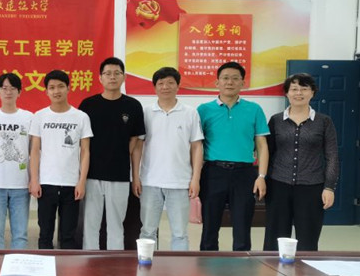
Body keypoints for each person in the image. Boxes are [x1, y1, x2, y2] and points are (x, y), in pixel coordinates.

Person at [197, 61, 269, 252]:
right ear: (217, 82)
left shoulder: (254, 109)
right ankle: (206, 265)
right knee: (210, 226)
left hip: (244, 174)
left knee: (242, 226)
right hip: (213, 172)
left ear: (243, 83)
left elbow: (262, 145)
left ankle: (242, 266)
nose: (230, 82)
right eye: (225, 78)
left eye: (235, 78)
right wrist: (194, 177)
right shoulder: (203, 110)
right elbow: (196, 146)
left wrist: (261, 176)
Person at [264, 73, 339, 252]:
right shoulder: (276, 120)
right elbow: (267, 152)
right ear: (287, 93)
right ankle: (271, 270)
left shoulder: (324, 121)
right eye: (294, 89)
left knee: (308, 239)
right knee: (274, 238)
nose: (299, 93)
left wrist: (329, 187)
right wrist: (262, 178)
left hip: (311, 187)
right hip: (278, 185)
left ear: (312, 92)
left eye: (304, 89)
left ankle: (305, 270)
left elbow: (332, 156)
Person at [79, 57, 144, 250]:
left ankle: (115, 263)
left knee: (116, 225)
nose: (112, 77)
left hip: (119, 175)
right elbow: (82, 143)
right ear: (100, 78)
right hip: (92, 175)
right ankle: (89, 260)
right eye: (107, 74)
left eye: (117, 73)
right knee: (91, 224)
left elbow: (136, 141)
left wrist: (135, 176)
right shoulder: (88, 105)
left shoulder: (133, 106)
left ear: (124, 77)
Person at [134, 67, 203, 251]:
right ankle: (146, 265)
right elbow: (138, 146)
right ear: (155, 87)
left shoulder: (190, 113)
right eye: (161, 83)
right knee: (147, 231)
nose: (165, 87)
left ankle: (178, 269)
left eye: (170, 83)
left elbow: (197, 146)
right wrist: (136, 177)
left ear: (178, 86)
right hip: (150, 181)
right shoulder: (146, 112)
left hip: (180, 182)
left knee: (180, 233)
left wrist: (195, 179)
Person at [30, 69, 92, 249]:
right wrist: (34, 180)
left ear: (68, 88)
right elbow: (35, 150)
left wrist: (81, 182)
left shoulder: (81, 117)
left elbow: (85, 151)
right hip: (46, 183)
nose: (56, 91)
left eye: (60, 86)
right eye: (52, 87)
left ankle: (67, 267)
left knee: (68, 235)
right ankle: (45, 267)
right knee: (45, 234)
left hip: (71, 184)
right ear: (46, 91)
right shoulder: (40, 116)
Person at [0, 73, 33, 249]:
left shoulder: (29, 117)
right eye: (4, 88)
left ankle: (17, 267)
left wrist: (34, 179)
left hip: (21, 184)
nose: (8, 92)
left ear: (19, 92)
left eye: (13, 88)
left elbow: (34, 152)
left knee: (20, 236)